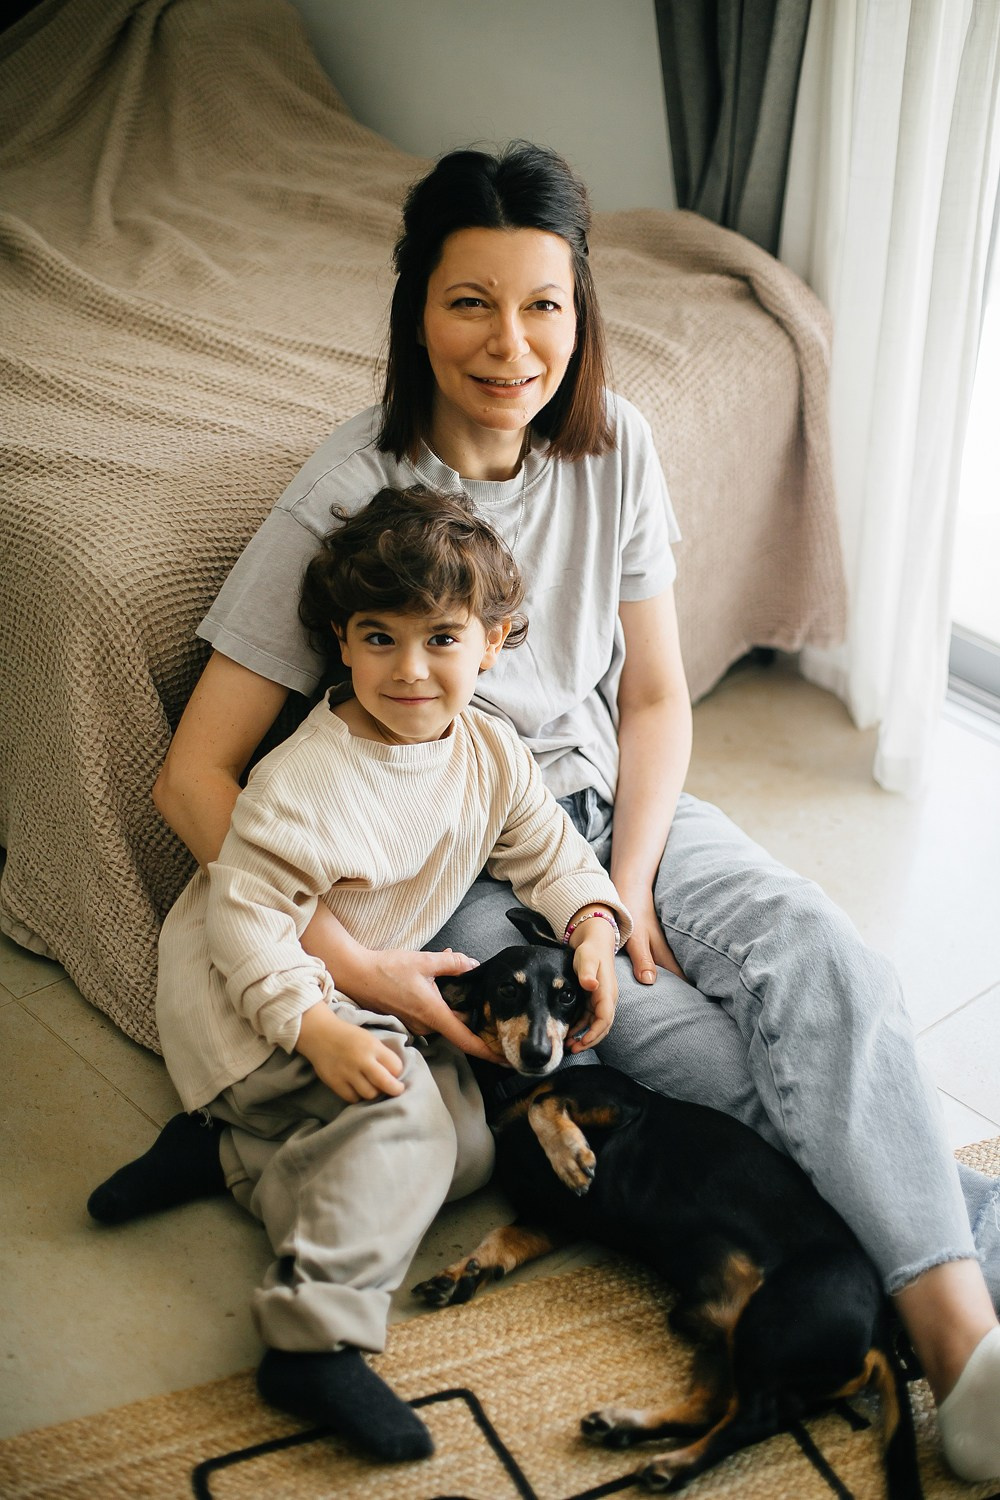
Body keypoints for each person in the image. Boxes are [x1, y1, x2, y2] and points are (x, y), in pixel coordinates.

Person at [89, 142, 1000, 1480]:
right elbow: (193, 779)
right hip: (459, 840)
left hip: (608, 807)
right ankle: (969, 1330)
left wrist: (623, 885)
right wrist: (353, 962)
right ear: (416, 311)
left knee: (824, 960)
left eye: (545, 305)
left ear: (581, 312)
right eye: (471, 303)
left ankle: (956, 1338)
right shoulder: (351, 489)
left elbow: (655, 705)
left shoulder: (616, 441)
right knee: (700, 1064)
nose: (512, 345)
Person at [148, 484, 631, 1463]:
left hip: (333, 995)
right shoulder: (305, 782)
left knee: (469, 1150)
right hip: (248, 994)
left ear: (492, 644)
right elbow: (243, 927)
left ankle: (234, 1152)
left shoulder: (490, 750)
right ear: (341, 641)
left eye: (442, 640)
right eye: (380, 639)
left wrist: (589, 921)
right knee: (406, 1119)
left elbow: (546, 850)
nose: (411, 671)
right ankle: (313, 1339)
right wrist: (313, 1026)